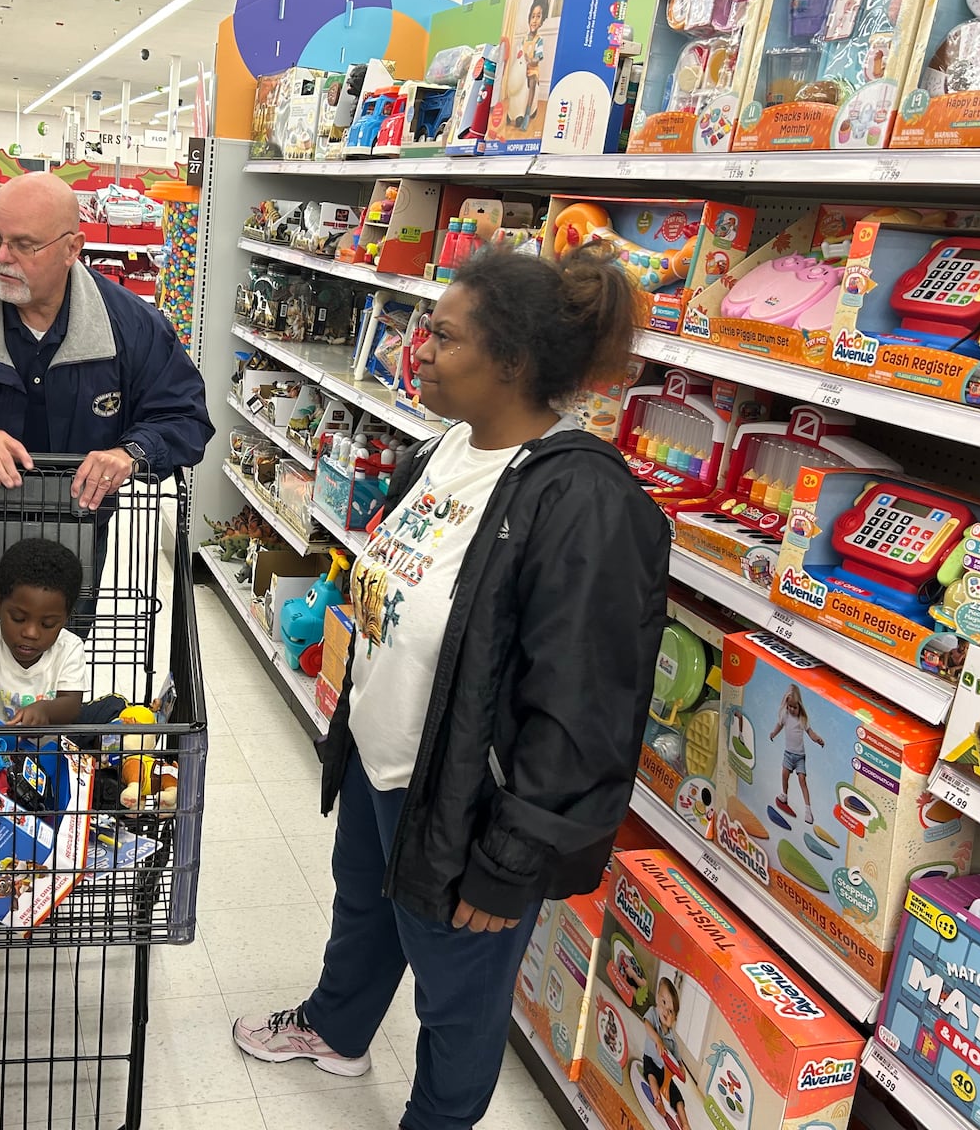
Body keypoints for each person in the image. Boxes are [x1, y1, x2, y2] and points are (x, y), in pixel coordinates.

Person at [231, 245, 671, 1130]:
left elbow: (583, 714)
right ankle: (337, 1029)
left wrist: (511, 864)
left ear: (512, 363)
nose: (417, 349)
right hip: (386, 760)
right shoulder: (447, 451)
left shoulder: (585, 502)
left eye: (441, 336)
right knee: (363, 908)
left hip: (470, 806)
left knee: (459, 995)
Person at [0, 171, 213, 672]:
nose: (1, 257)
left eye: (23, 244)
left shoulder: (130, 327)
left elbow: (184, 416)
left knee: (56, 698)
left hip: (74, 563)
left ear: (73, 248)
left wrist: (132, 453)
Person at [0, 537, 87, 727]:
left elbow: (71, 705)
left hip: (50, 751)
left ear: (66, 618)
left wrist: (45, 709)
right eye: (18, 618)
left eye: (48, 624)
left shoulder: (69, 648)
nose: (31, 633)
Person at [641, 977, 693, 1130]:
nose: (665, 1011)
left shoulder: (672, 1040)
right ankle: (658, 1101)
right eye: (663, 1002)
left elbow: (677, 1059)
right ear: (657, 999)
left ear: (674, 1019)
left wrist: (681, 1068)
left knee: (676, 1095)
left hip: (665, 1071)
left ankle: (685, 1123)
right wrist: (658, 1040)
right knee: (651, 1077)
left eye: (670, 1011)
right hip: (650, 1059)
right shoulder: (652, 1014)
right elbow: (647, 1025)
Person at [770, 684, 823, 823]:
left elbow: (810, 732)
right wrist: (773, 734)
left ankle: (808, 810)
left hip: (799, 756)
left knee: (802, 780)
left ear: (800, 705)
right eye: (789, 707)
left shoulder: (802, 719)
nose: (792, 710)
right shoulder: (785, 715)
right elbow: (779, 725)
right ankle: (784, 795)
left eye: (794, 707)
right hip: (788, 754)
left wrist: (816, 739)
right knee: (784, 774)